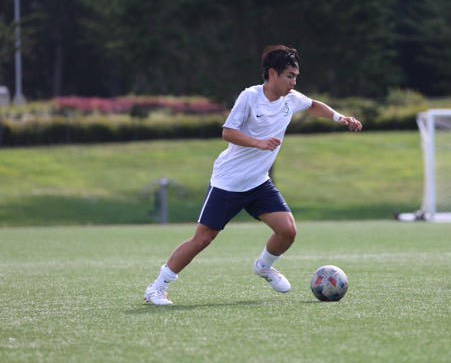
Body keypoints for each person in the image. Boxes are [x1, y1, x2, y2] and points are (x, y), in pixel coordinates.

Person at [144, 45, 362, 305]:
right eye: (289, 76)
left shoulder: (290, 100)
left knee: (287, 231)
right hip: (229, 182)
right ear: (272, 73)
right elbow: (228, 132)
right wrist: (258, 143)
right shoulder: (250, 96)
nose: (294, 82)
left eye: (296, 76)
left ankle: (264, 267)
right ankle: (157, 288)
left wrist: (341, 118)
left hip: (258, 183)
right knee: (203, 238)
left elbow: (314, 105)